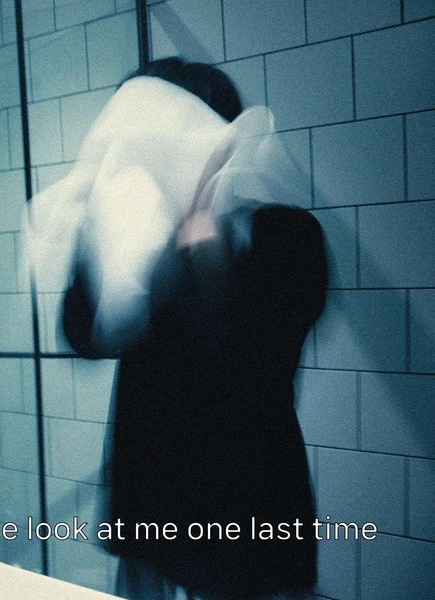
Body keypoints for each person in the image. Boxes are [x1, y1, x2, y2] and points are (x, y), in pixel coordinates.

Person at [30, 57, 328, 600]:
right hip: (148, 502)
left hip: (248, 510)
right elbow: (84, 338)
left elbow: (248, 356)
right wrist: (98, 240)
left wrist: (197, 232)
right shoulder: (130, 236)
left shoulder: (284, 234)